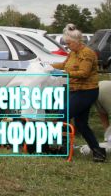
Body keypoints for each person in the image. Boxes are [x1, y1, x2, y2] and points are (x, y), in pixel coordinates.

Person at [52, 23, 105, 162]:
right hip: (76, 90)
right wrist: (47, 66)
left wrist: (64, 73)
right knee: (81, 124)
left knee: (63, 115)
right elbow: (64, 65)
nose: (67, 46)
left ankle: (64, 150)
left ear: (76, 41)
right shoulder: (73, 53)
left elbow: (84, 72)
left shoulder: (87, 53)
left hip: (87, 91)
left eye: (69, 43)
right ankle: (98, 151)